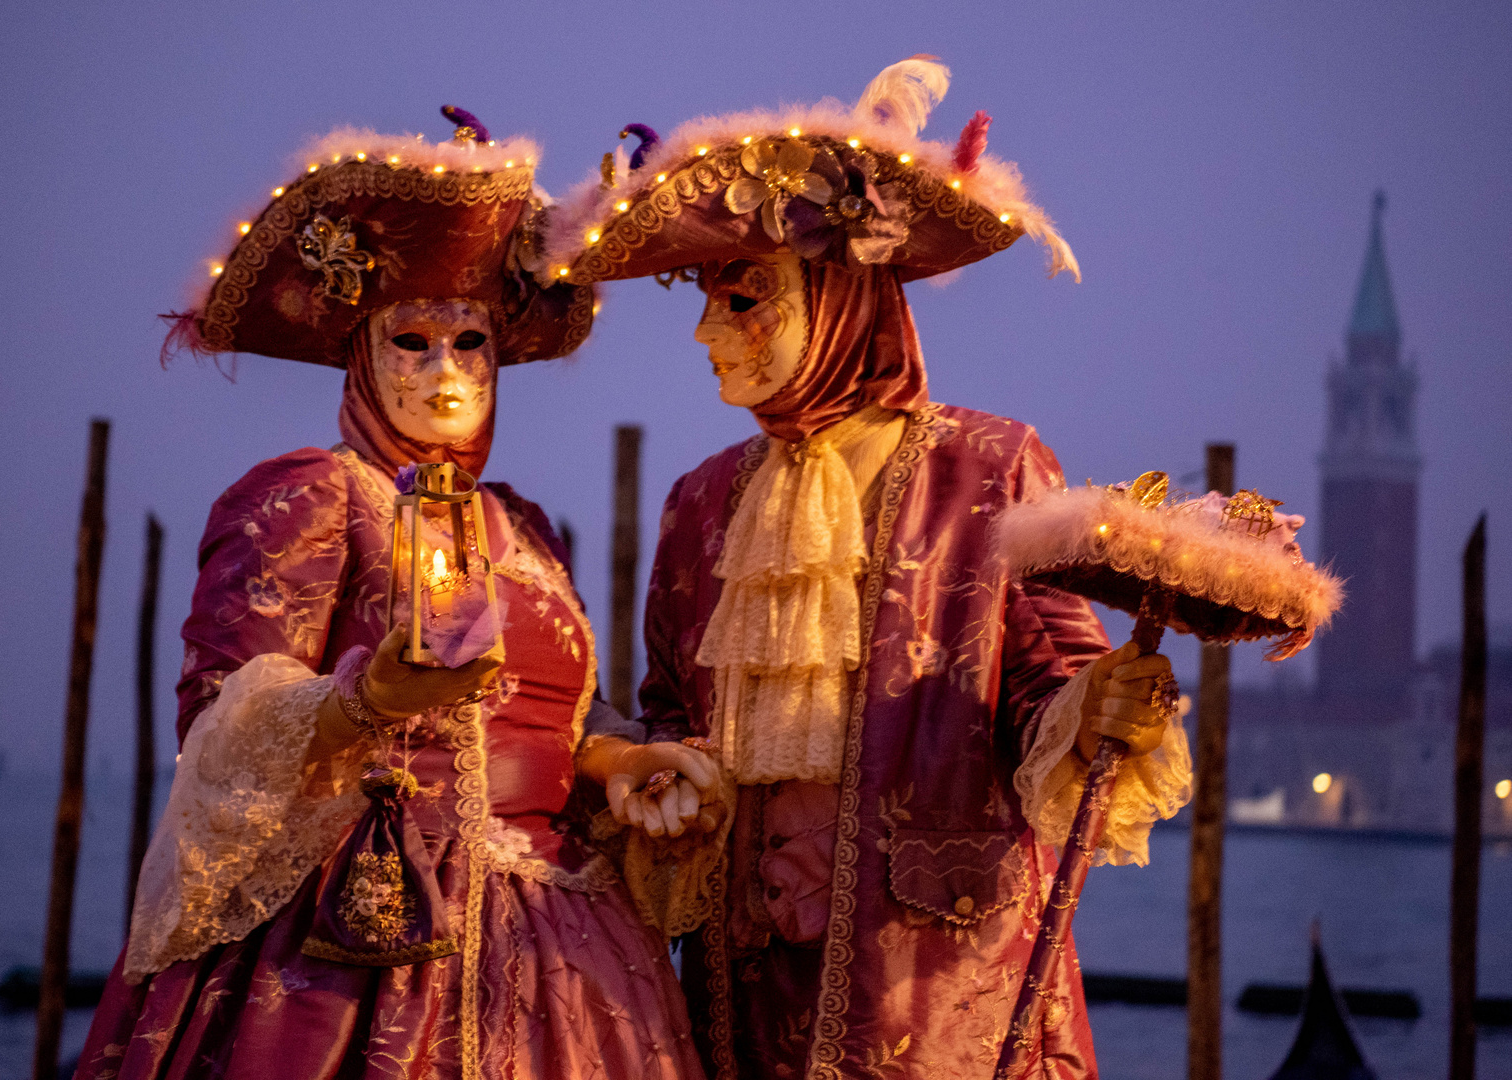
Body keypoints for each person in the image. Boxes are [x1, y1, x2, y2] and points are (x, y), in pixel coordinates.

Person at [555, 61, 1193, 1079]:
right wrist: (662, 784)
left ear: (841, 296)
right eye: (708, 300)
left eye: (743, 297)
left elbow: (1047, 690)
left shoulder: (989, 469)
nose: (705, 331)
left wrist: (1097, 707)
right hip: (743, 993)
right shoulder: (698, 503)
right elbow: (673, 707)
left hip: (938, 990)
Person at [74, 110, 707, 1080]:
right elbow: (220, 728)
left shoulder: (522, 526)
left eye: (471, 344)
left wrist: (619, 760)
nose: (447, 370)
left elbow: (549, 720)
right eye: (413, 341)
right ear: (361, 356)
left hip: (566, 942)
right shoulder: (310, 497)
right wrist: (364, 701)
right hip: (361, 933)